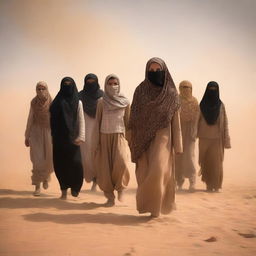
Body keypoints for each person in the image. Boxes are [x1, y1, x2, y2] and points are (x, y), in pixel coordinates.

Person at [129, 57, 183, 218]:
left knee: (158, 170)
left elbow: (176, 121)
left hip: (163, 138)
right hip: (141, 139)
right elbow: (134, 115)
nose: (154, 73)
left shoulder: (172, 94)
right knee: (144, 173)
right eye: (151, 70)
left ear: (164, 72)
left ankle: (156, 209)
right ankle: (148, 206)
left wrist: (178, 145)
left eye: (157, 70)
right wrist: (130, 136)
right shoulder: (140, 90)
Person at [93, 74, 130, 206]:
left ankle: (121, 188)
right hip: (104, 136)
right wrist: (96, 143)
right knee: (105, 169)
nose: (113, 86)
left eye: (115, 84)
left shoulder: (125, 102)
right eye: (110, 84)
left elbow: (128, 123)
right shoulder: (101, 102)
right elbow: (97, 122)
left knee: (122, 162)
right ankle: (109, 197)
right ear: (105, 86)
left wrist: (130, 140)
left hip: (119, 135)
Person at [50, 77, 85, 199]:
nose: (67, 86)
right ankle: (63, 190)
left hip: (73, 139)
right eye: (65, 84)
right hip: (59, 139)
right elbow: (52, 121)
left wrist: (81, 136)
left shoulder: (78, 102)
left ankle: (75, 188)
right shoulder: (56, 102)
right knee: (60, 165)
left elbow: (81, 119)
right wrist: (53, 137)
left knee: (76, 164)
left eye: (69, 84)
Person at [198, 81, 231, 192]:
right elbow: (196, 122)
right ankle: (209, 185)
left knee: (216, 163)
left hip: (217, 139)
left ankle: (216, 185)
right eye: (210, 88)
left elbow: (225, 123)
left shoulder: (221, 106)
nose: (212, 91)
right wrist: (193, 136)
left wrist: (227, 140)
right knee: (206, 163)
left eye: (214, 88)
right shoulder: (202, 105)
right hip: (204, 138)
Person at [25, 81, 53, 196]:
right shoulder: (33, 102)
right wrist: (27, 136)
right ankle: (37, 185)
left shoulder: (52, 102)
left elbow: (56, 119)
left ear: (47, 89)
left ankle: (46, 177)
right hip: (35, 132)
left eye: (43, 89)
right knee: (37, 159)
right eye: (38, 89)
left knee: (48, 158)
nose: (41, 91)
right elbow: (30, 119)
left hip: (49, 132)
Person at [78, 73, 103, 191]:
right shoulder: (79, 96)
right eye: (88, 81)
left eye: (93, 81)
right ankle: (87, 177)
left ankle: (96, 181)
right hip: (84, 129)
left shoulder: (103, 96)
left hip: (98, 129)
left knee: (96, 155)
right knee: (85, 156)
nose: (90, 83)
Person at [175, 80, 199, 192]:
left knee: (189, 156)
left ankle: (192, 181)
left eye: (188, 87)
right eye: (183, 87)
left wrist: (195, 132)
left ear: (191, 88)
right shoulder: (176, 100)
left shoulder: (194, 101)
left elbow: (197, 118)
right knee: (178, 157)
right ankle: (178, 182)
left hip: (190, 132)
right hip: (178, 130)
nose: (185, 89)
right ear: (179, 88)